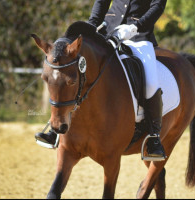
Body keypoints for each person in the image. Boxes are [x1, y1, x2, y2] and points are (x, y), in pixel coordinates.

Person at [35, 0, 167, 160]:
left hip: (139, 36)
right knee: (72, 68)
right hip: (107, 31)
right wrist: (91, 25)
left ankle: (154, 137)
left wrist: (136, 26)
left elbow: (157, 6)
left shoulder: (139, 30)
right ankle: (55, 130)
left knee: (151, 82)